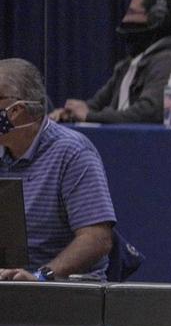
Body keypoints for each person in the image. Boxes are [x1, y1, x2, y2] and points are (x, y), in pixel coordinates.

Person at [0, 59, 117, 282]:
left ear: (17, 109)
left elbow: (97, 238)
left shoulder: (72, 152)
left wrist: (42, 276)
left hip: (62, 293)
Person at [50, 0, 171, 127]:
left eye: (132, 12)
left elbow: (147, 115)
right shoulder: (129, 64)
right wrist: (71, 113)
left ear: (155, 18)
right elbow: (96, 104)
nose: (126, 18)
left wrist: (89, 116)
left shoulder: (170, 63)